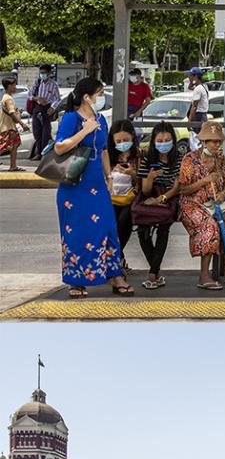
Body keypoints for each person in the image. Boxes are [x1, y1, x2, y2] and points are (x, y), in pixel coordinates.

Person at [53, 77, 133, 298]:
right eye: (99, 93)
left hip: (98, 184)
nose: (102, 97)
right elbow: (60, 147)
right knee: (77, 232)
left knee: (108, 229)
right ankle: (76, 281)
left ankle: (116, 276)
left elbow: (105, 151)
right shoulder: (71, 119)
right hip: (75, 186)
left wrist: (109, 177)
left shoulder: (101, 120)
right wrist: (85, 130)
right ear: (87, 97)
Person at [177, 120, 225, 289]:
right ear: (204, 141)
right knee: (209, 227)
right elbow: (183, 189)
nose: (216, 145)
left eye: (218, 141)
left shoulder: (220, 158)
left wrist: (223, 194)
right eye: (213, 141)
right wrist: (205, 180)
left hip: (216, 202)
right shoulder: (189, 159)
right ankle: (204, 275)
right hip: (193, 203)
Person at [135, 122, 183, 289]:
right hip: (150, 196)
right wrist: (150, 178)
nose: (164, 144)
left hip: (170, 198)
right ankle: (155, 272)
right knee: (142, 229)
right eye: (160, 140)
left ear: (173, 140)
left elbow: (177, 187)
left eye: (167, 140)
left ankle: (152, 273)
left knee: (164, 227)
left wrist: (160, 199)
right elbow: (145, 190)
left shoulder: (179, 157)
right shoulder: (148, 158)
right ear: (154, 141)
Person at [107, 118, 140, 271]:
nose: (122, 143)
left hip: (130, 199)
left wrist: (132, 173)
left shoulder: (138, 155)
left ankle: (115, 257)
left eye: (125, 140)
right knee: (110, 222)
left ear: (132, 137)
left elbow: (142, 182)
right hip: (110, 199)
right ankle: (117, 258)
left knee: (124, 220)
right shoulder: (108, 156)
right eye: (118, 141)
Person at [27, 63, 61, 160]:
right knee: (37, 132)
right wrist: (36, 98)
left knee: (45, 133)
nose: (42, 74)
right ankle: (39, 154)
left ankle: (44, 154)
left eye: (44, 72)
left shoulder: (54, 84)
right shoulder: (37, 82)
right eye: (41, 72)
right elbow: (29, 95)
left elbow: (57, 99)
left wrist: (53, 108)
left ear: (49, 73)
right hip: (37, 108)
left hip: (47, 110)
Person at [1, 74, 29, 171]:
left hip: (9, 126)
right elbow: (12, 113)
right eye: (14, 85)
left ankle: (13, 166)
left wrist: (18, 112)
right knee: (5, 147)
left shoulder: (6, 97)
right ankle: (13, 166)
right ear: (8, 86)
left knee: (14, 145)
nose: (15, 87)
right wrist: (22, 123)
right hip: (8, 127)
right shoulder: (8, 98)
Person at [185, 68, 210, 139]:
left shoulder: (198, 89)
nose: (188, 77)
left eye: (190, 76)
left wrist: (189, 122)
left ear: (195, 76)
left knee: (197, 139)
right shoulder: (203, 86)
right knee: (200, 138)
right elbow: (190, 87)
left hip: (198, 116)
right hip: (203, 116)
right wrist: (192, 81)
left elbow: (194, 106)